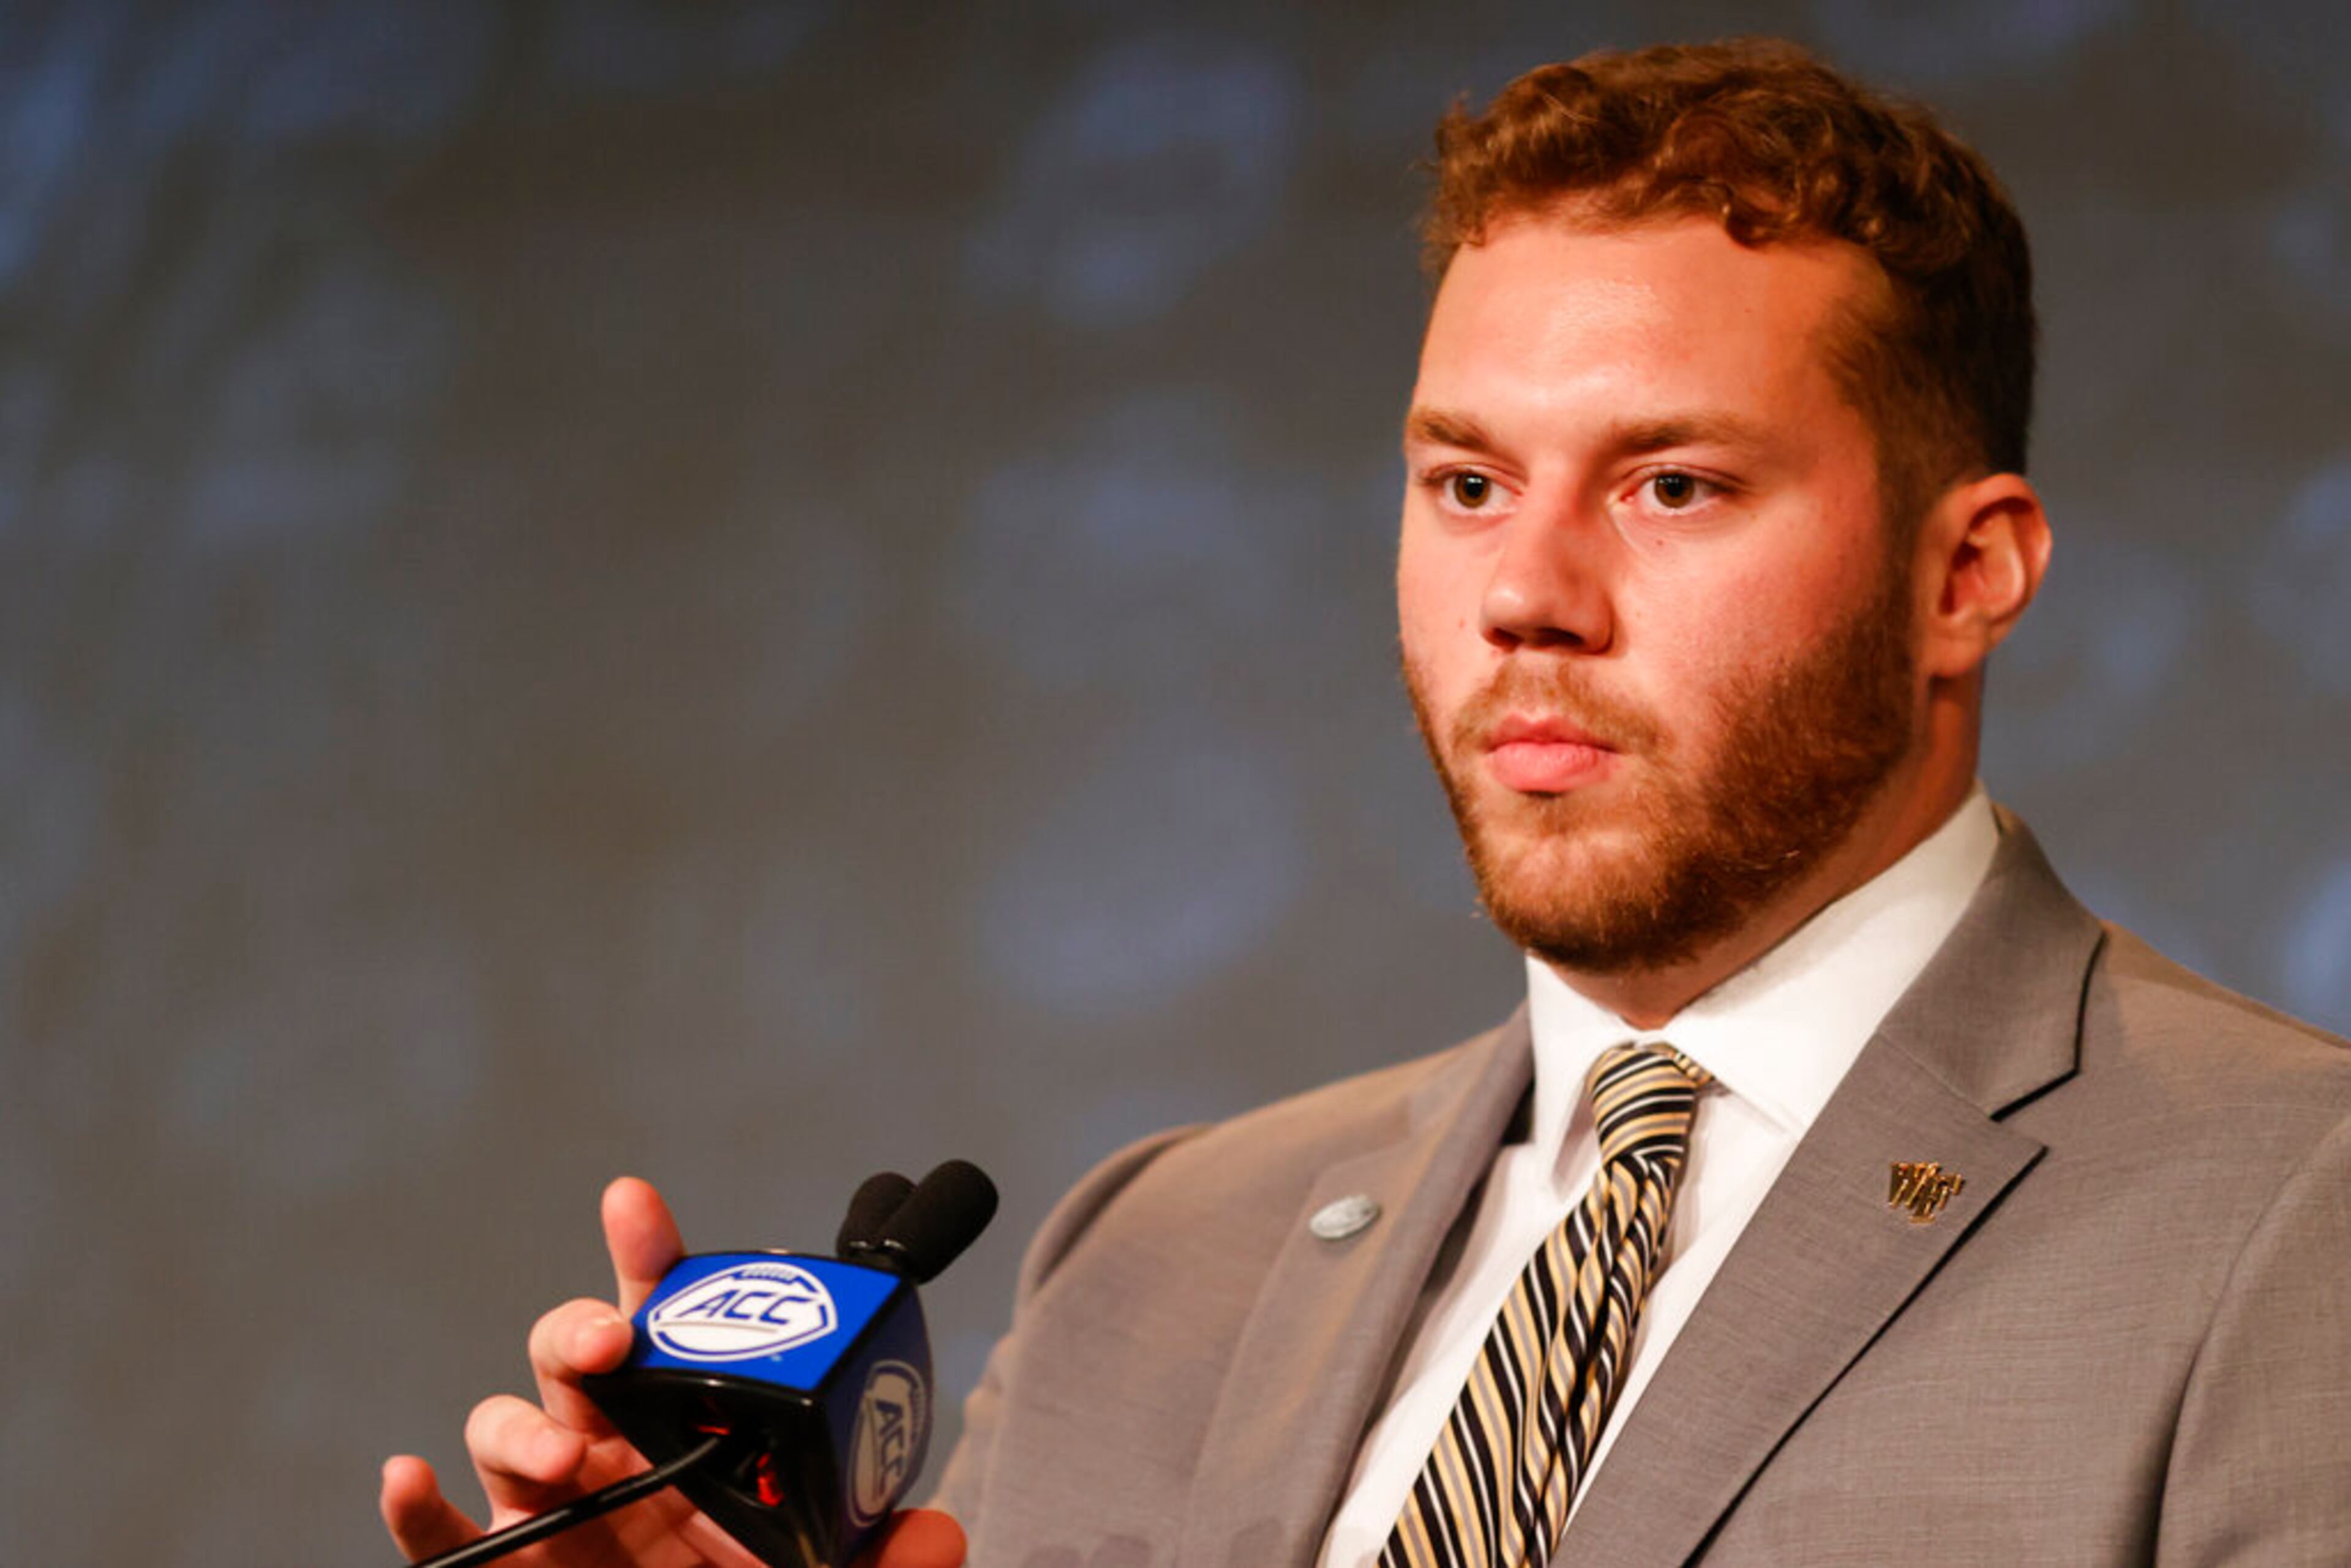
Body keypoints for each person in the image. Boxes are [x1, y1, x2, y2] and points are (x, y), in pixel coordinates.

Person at [382, 39, 2351, 1568]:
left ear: (1966, 572)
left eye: (1672, 485)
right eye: (1467, 483)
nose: (1526, 593)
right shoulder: (1153, 1253)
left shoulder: (2290, 1214)